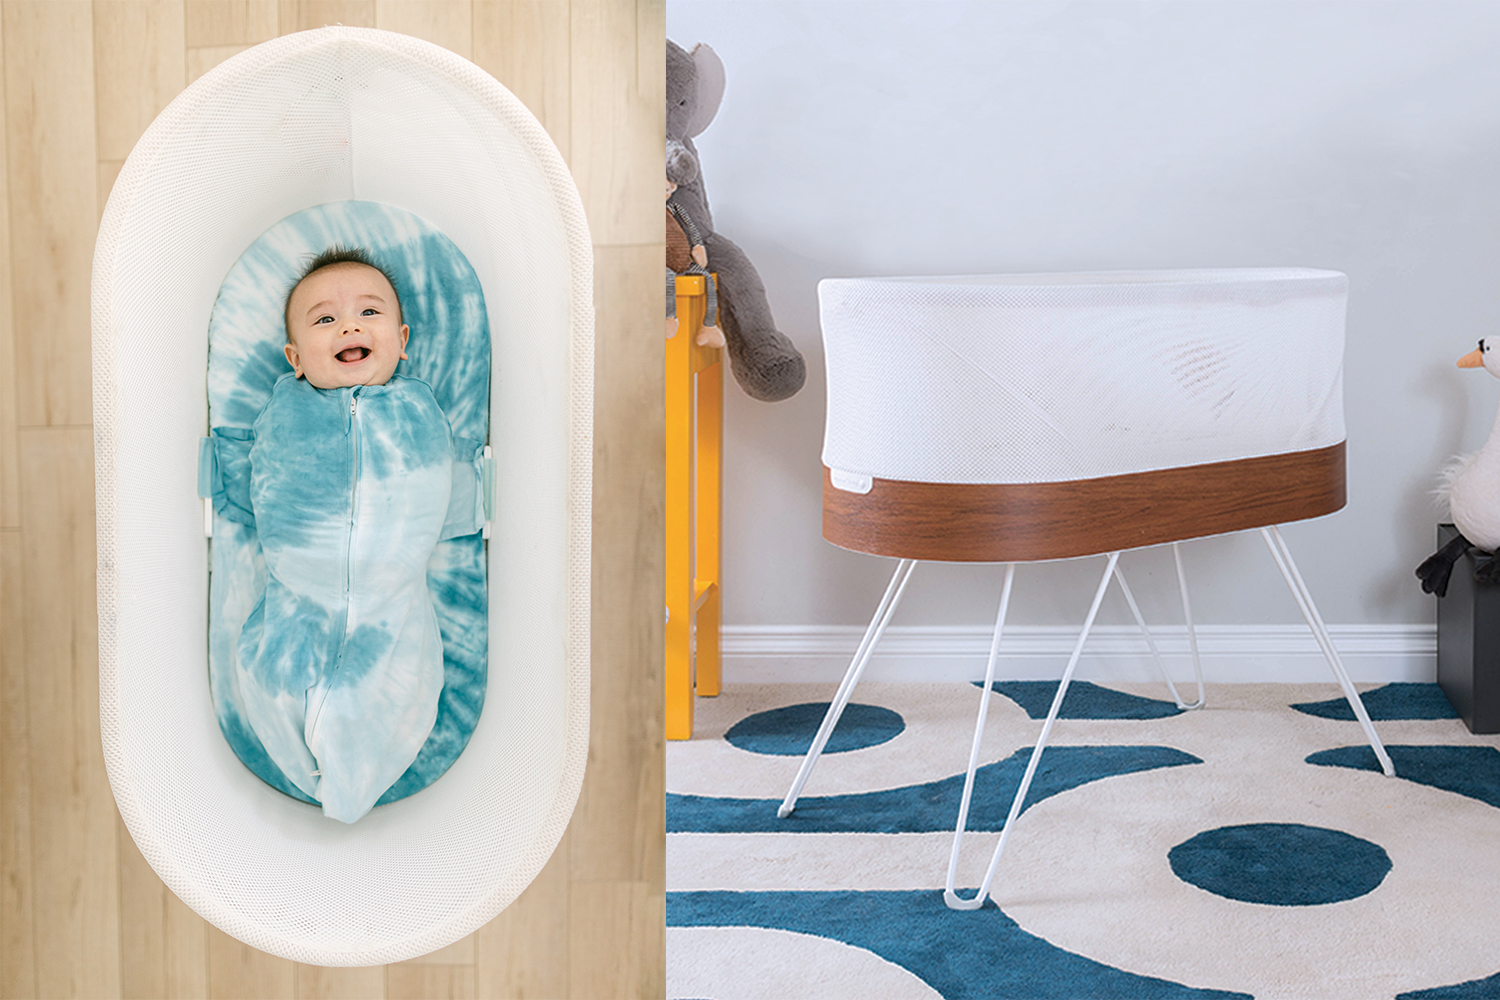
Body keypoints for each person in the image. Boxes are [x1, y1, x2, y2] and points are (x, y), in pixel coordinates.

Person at [234, 246, 454, 823]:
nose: (349, 325)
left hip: (392, 601)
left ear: (402, 341)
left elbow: (433, 480)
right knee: (275, 676)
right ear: (296, 357)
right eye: (325, 320)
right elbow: (264, 479)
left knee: (390, 684)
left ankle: (354, 776)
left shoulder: (415, 407)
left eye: (369, 313)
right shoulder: (286, 409)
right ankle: (305, 761)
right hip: (299, 596)